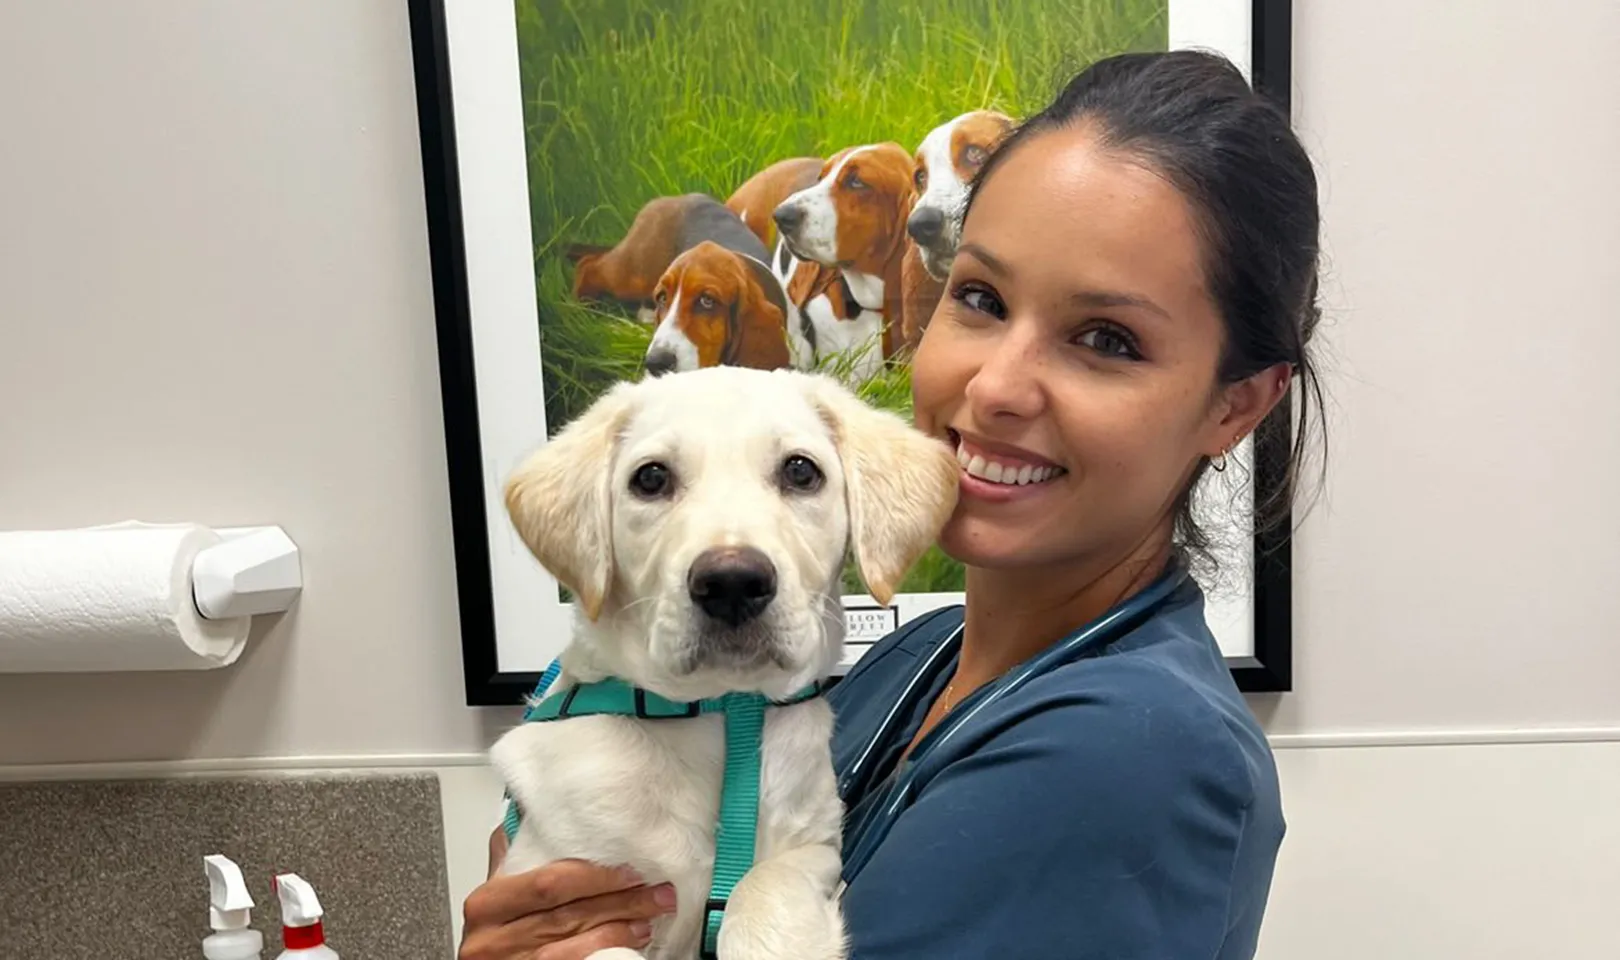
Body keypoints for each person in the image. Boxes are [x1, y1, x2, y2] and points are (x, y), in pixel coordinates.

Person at [458, 48, 1323, 960]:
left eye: (1106, 339)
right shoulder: (914, 656)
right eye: (981, 297)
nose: (995, 387)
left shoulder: (1133, 759)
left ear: (1236, 404)